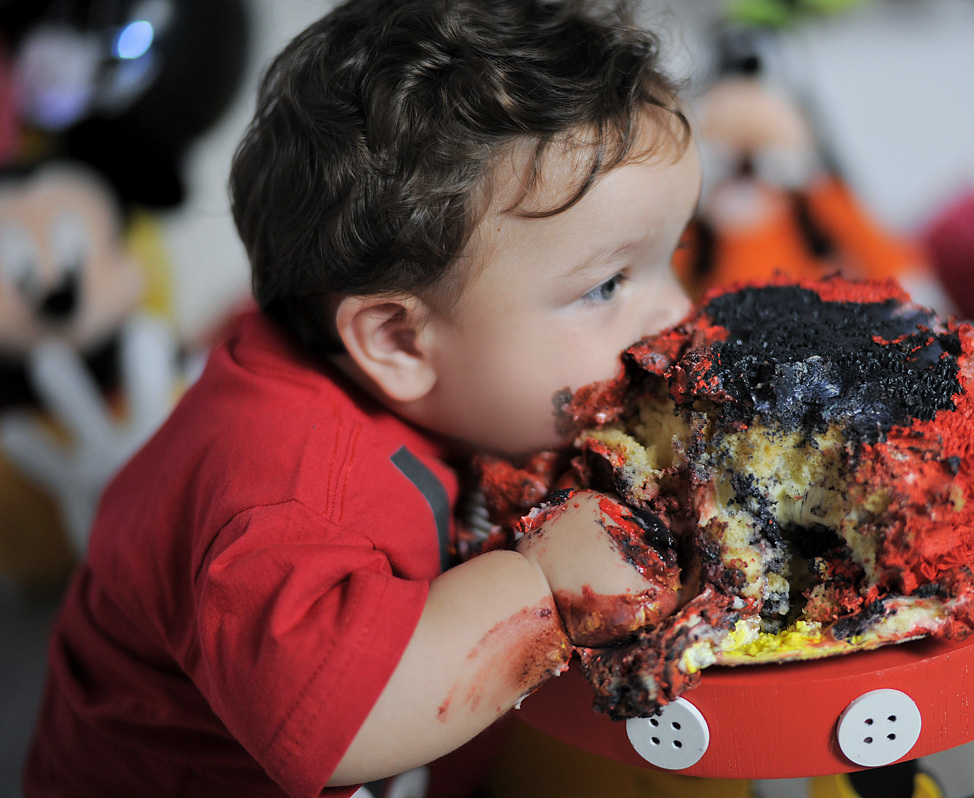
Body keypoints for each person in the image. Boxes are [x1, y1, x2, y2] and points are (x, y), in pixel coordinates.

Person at [22, 0, 703, 795]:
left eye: (675, 254)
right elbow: (344, 723)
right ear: (399, 341)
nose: (677, 313)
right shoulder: (285, 486)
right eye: (608, 284)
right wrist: (545, 587)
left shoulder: (448, 385)